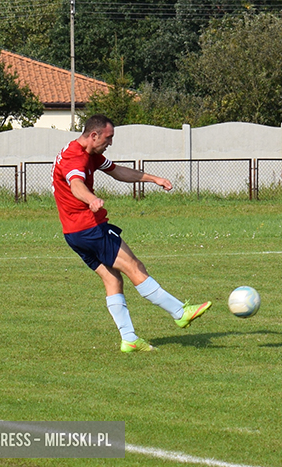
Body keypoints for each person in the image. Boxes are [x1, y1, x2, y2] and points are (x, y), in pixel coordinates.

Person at [52, 114, 211, 353]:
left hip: (74, 233)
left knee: (112, 279)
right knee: (134, 267)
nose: (110, 143)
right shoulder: (76, 158)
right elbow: (76, 184)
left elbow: (116, 171)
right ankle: (180, 312)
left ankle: (129, 339)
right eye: (108, 137)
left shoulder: (88, 153)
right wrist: (91, 198)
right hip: (90, 228)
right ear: (94, 135)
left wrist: (153, 178)